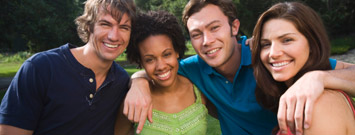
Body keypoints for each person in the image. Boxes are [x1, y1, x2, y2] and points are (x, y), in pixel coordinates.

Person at [124, 0, 355, 134]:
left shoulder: (268, 59)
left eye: (214, 28)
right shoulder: (193, 68)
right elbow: (160, 65)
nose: (207, 41)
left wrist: (317, 78)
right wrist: (138, 82)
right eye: (196, 34)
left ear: (234, 26)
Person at [0, 0, 135, 134]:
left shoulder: (122, 81)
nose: (114, 36)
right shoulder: (40, 68)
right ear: (89, 26)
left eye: (124, 27)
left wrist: (140, 82)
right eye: (105, 24)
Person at [251, 2, 355, 135]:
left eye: (287, 40)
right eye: (266, 44)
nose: (273, 53)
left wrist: (318, 77)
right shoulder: (301, 99)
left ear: (312, 44)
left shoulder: (319, 105)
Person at [114, 10, 211, 135]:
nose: (161, 66)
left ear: (177, 51)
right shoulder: (133, 101)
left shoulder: (199, 89)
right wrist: (138, 80)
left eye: (166, 54)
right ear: (140, 62)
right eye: (149, 59)